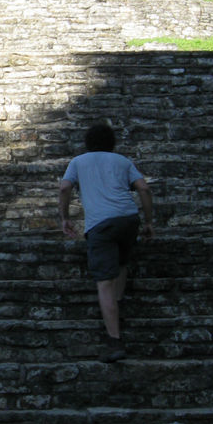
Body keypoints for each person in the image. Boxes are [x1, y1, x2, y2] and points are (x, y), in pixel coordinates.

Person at [58, 121, 154, 362]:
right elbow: (143, 188)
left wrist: (65, 217)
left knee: (104, 282)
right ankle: (117, 305)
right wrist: (149, 221)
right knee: (121, 264)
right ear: (112, 143)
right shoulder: (123, 161)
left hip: (101, 224)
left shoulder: (78, 162)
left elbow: (64, 188)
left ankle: (114, 340)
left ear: (87, 143)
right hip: (128, 219)